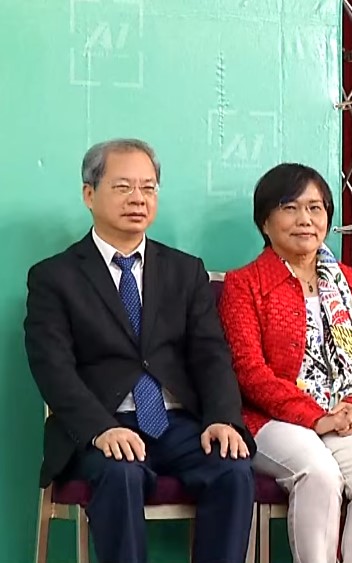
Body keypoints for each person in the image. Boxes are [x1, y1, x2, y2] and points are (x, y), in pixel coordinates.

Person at [24, 139, 255, 563]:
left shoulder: (185, 270)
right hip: (102, 425)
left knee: (233, 469)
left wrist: (223, 417)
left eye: (148, 189)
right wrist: (100, 429)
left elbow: (211, 354)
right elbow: (53, 368)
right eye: (124, 187)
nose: (138, 199)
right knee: (120, 474)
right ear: (89, 194)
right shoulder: (55, 277)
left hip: (176, 422)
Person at [218, 163, 352, 563]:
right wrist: (314, 416)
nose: (305, 219)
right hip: (268, 420)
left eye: (316, 208)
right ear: (265, 221)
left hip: (344, 415)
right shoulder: (244, 284)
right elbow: (248, 371)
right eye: (290, 207)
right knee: (318, 473)